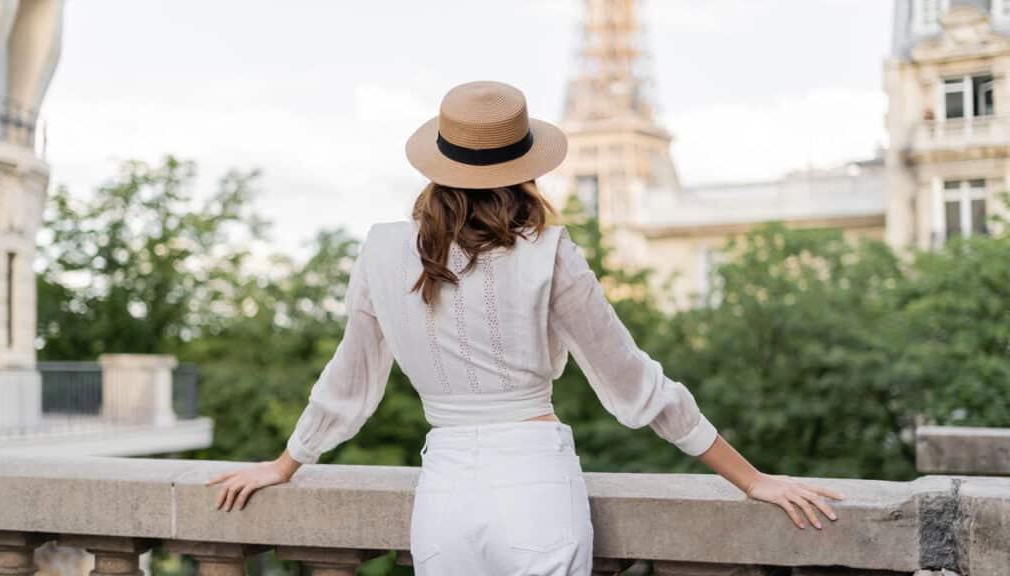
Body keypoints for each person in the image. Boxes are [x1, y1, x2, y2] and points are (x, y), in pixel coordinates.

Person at [206, 80, 843, 575]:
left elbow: (349, 381)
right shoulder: (549, 252)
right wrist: (752, 479)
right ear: (525, 170)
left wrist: (285, 464)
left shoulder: (380, 248)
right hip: (535, 486)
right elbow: (635, 384)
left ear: (437, 164)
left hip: (444, 497)